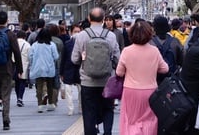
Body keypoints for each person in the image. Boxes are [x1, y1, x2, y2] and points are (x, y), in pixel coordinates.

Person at [71, 7, 121, 135]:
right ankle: (107, 132)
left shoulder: (81, 36)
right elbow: (117, 58)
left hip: (88, 81)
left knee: (88, 111)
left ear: (89, 19)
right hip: (106, 81)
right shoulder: (110, 36)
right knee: (108, 109)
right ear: (104, 19)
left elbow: (74, 59)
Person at [116, 20, 168, 135]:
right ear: (149, 34)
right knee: (150, 120)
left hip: (130, 90)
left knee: (130, 121)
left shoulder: (126, 51)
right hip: (150, 90)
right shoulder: (154, 51)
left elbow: (119, 72)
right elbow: (165, 69)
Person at [0, 11, 23, 130]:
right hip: (7, 67)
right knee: (6, 94)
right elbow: (17, 53)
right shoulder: (10, 34)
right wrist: (20, 69)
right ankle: (6, 121)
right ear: (7, 20)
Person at [28, 28, 59, 113]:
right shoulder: (52, 45)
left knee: (39, 86)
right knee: (50, 86)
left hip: (38, 67)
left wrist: (32, 63)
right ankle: (50, 103)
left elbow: (30, 56)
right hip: (49, 68)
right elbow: (56, 57)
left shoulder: (34, 45)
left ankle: (40, 105)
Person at [150, 16, 183, 81]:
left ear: (154, 27)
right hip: (171, 79)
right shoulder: (175, 42)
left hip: (153, 79)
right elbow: (183, 60)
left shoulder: (150, 42)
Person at [60, 24, 82, 115]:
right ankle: (70, 109)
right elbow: (63, 58)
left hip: (80, 70)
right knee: (68, 90)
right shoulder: (67, 44)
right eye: (75, 32)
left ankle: (81, 106)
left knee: (81, 90)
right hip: (68, 70)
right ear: (71, 32)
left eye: (78, 32)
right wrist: (61, 73)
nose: (77, 34)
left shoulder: (84, 44)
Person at [14, 30, 30, 107]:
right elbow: (30, 56)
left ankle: (18, 97)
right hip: (24, 65)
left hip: (15, 64)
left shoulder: (14, 43)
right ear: (24, 36)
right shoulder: (27, 44)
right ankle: (20, 98)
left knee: (17, 82)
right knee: (22, 82)